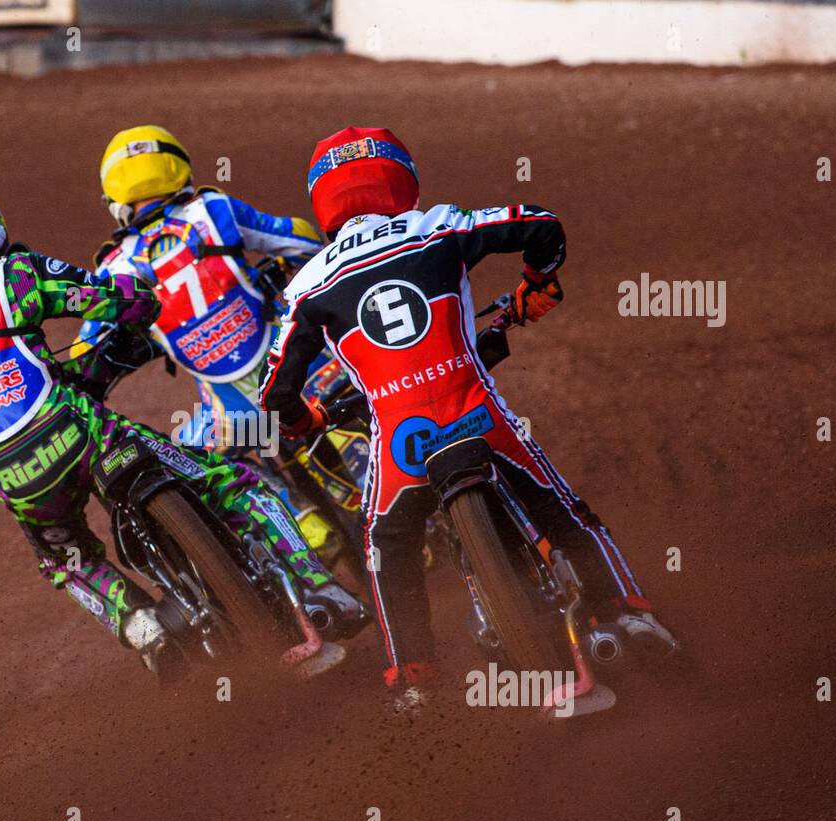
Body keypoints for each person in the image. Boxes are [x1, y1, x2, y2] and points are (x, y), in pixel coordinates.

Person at [0, 187, 360, 678]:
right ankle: (320, 586)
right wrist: (140, 304)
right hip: (84, 435)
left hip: (18, 481)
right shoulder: (14, 275)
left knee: (68, 560)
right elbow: (110, 300)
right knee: (231, 479)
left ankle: (142, 627)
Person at [260, 127, 675, 698]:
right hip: (478, 408)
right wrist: (535, 283)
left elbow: (273, 392)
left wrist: (304, 420)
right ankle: (634, 611)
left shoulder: (307, 286)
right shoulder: (439, 225)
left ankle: (413, 678)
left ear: (322, 199)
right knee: (563, 508)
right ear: (400, 176)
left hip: (400, 441)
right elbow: (541, 223)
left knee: (384, 543)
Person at [81, 124, 365, 559]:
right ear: (178, 168)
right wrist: (278, 276)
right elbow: (300, 239)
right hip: (306, 379)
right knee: (362, 381)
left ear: (117, 200)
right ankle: (386, 478)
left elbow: (88, 349)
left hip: (236, 420)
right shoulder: (214, 210)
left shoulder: (113, 270)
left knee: (195, 457)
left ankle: (299, 525)